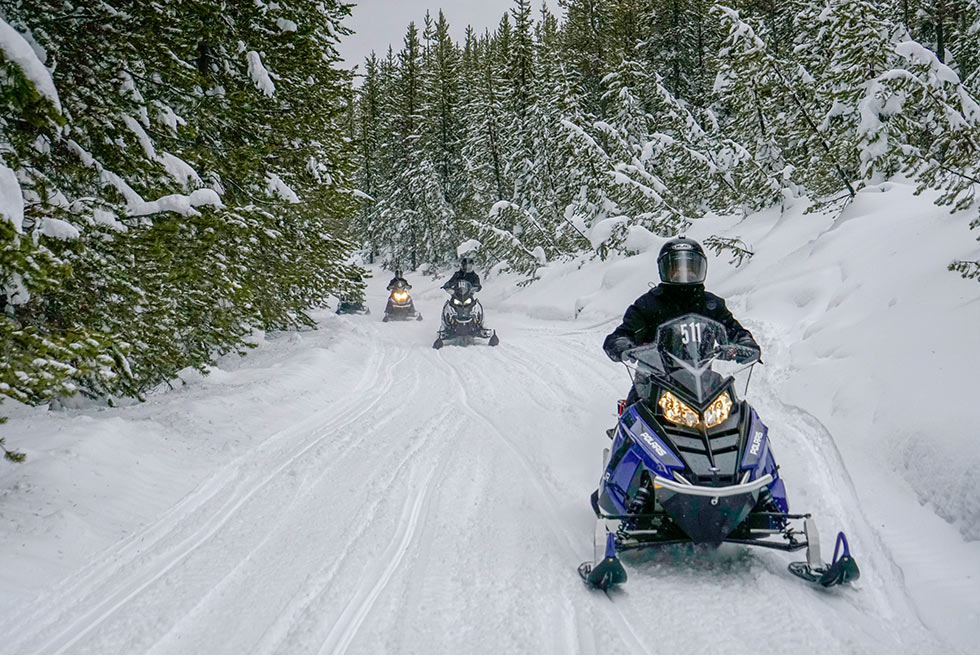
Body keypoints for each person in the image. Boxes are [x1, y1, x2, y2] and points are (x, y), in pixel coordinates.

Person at [603, 237, 760, 406]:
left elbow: (734, 330)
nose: (684, 274)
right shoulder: (648, 304)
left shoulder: (711, 305)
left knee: (738, 414)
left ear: (701, 268)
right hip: (655, 381)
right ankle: (623, 429)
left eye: (691, 268)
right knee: (634, 411)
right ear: (665, 270)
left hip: (703, 385)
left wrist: (744, 344)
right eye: (677, 269)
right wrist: (623, 345)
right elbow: (623, 333)